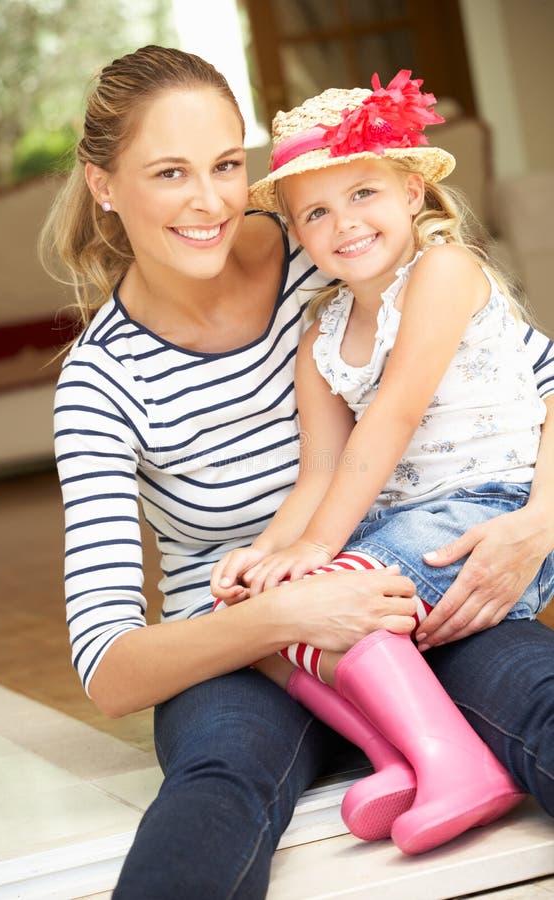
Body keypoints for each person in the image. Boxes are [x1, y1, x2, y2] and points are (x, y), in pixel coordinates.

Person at [40, 45, 554, 897]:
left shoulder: (331, 235)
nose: (209, 202)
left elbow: (538, 378)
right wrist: (289, 611)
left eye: (224, 165)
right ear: (104, 183)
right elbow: (109, 664)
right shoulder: (100, 381)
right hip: (255, 657)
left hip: (415, 591)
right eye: (170, 172)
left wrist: (540, 520)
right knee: (220, 783)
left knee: (542, 697)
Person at [210, 71, 554, 854]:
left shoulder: (444, 272)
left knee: (324, 591)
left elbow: (394, 417)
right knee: (254, 622)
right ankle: (401, 758)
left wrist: (317, 552)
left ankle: (460, 766)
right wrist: (266, 558)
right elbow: (320, 473)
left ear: (410, 192)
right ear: (298, 233)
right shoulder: (322, 335)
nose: (345, 223)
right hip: (406, 525)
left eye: (364, 194)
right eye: (318, 213)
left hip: (489, 511)